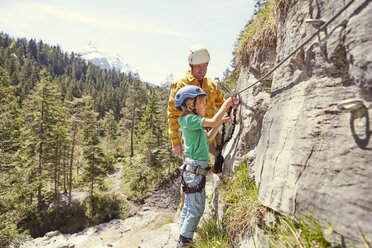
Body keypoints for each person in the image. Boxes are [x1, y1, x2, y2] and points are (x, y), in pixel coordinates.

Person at [174, 85, 233, 247]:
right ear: (191, 104)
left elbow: (207, 137)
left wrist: (220, 122)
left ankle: (182, 236)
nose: (206, 106)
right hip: (194, 171)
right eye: (203, 103)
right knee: (197, 209)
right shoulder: (189, 119)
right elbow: (212, 120)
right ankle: (185, 242)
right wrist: (225, 105)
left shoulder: (191, 123)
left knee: (189, 205)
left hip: (192, 170)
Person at [167, 44, 225, 158]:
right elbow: (173, 115)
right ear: (191, 65)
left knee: (221, 159)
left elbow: (221, 103)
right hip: (192, 132)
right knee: (194, 167)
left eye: (205, 66)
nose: (202, 70)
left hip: (211, 129)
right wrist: (176, 143)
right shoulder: (181, 85)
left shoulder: (211, 85)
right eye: (198, 67)